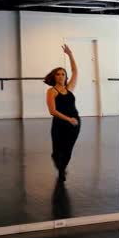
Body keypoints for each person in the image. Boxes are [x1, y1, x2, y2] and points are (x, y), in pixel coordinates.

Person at [45, 44, 80, 182]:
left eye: (63, 74)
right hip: (60, 123)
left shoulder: (69, 87)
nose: (60, 76)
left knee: (68, 149)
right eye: (58, 74)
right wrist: (68, 119)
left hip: (74, 122)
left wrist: (70, 55)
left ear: (66, 77)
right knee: (56, 152)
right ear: (54, 77)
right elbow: (52, 111)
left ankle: (61, 170)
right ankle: (59, 164)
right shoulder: (51, 91)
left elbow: (75, 71)